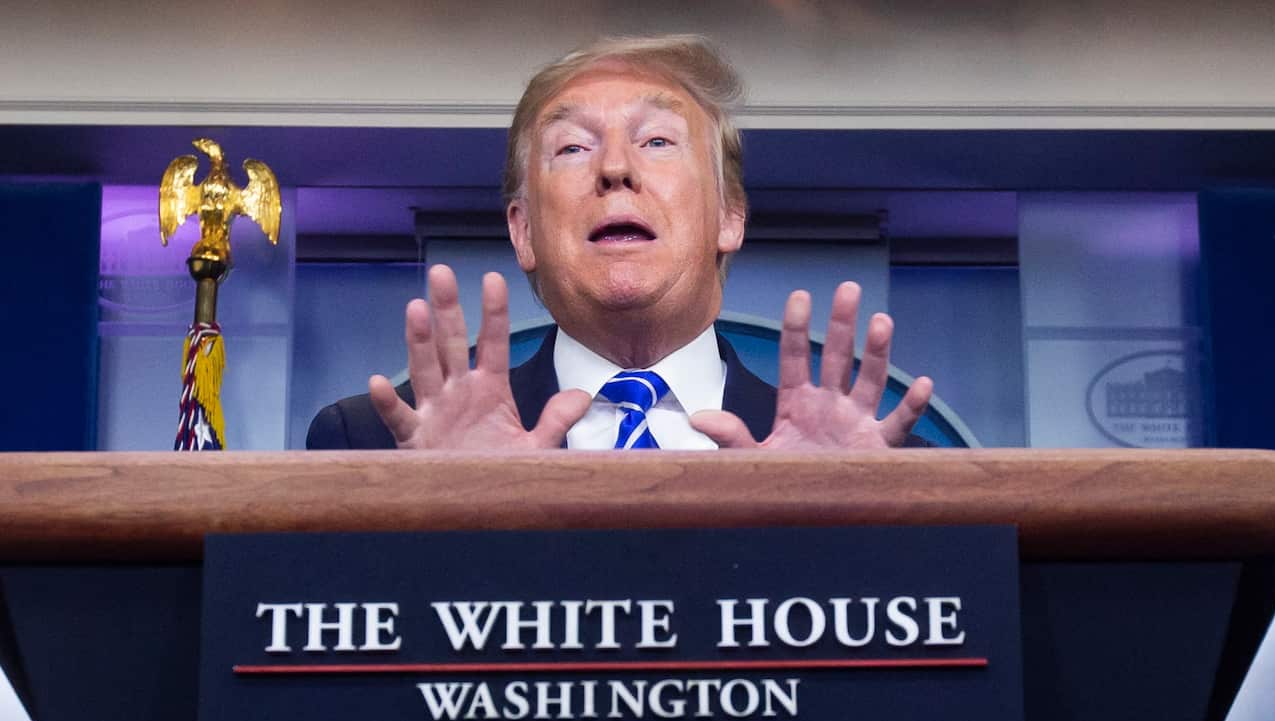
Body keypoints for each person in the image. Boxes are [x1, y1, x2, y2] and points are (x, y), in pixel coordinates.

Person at [307, 34, 933, 451]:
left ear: (730, 216)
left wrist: (848, 523)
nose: (614, 167)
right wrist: (446, 518)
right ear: (523, 231)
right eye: (573, 147)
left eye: (657, 141)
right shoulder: (372, 442)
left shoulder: (881, 462)